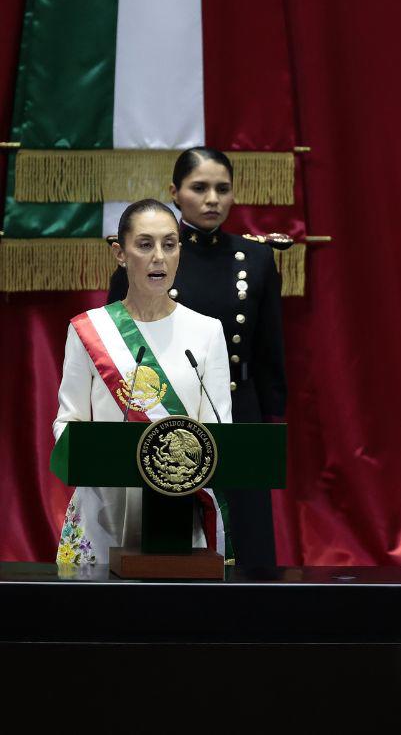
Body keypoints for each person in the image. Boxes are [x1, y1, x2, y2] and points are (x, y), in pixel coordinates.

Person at [108, 148, 287, 566]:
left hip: (236, 405)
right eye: (199, 188)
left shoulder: (255, 258)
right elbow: (120, 338)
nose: (212, 199)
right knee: (169, 530)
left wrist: (271, 414)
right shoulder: (153, 257)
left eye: (222, 189)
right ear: (175, 192)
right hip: (166, 407)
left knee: (245, 532)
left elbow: (267, 350)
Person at [55, 200, 233, 568]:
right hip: (105, 506)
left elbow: (219, 430)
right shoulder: (89, 330)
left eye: (169, 245)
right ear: (120, 253)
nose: (159, 257)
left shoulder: (207, 331)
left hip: (182, 509)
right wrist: (99, 458)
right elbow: (67, 422)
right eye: (145, 244)